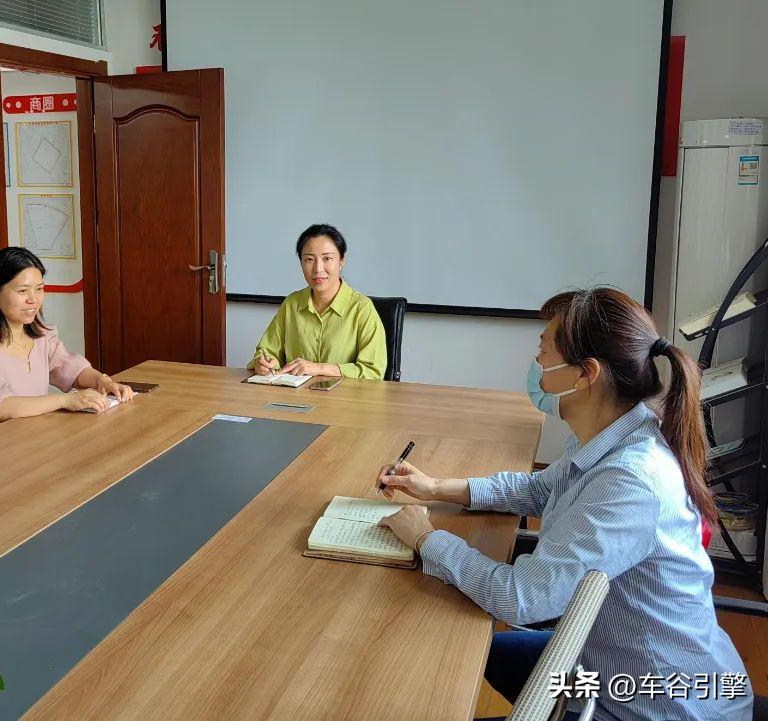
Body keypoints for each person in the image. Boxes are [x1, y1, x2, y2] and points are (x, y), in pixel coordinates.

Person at [374, 287, 751, 721]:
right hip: (602, 656)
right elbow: (540, 490)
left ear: (585, 374)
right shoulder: (615, 433)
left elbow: (521, 597)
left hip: (659, 705)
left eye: (544, 351)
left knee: (455, 656)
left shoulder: (632, 481)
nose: (536, 363)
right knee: (477, 651)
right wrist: (436, 486)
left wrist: (426, 539)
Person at [0, 247, 134, 441]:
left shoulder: (42, 337)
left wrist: (102, 381)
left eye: (39, 289)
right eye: (22, 291)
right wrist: (66, 400)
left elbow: (71, 368)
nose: (33, 299)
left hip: (27, 437)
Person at [249, 224, 387, 381]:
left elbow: (373, 372)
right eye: (309, 259)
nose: (318, 269)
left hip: (345, 396)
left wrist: (319, 368)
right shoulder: (292, 303)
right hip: (295, 394)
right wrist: (264, 363)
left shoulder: (362, 308)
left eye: (327, 258)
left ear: (342, 260)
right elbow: (267, 351)